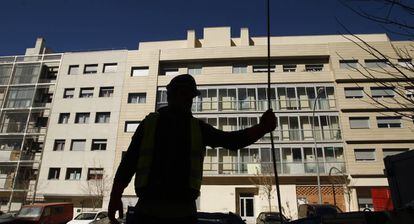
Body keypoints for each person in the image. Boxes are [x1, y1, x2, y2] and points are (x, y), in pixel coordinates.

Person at [108, 74, 276, 224]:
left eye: (190, 96)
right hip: (156, 212)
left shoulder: (194, 128)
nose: (188, 100)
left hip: (167, 213)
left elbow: (231, 141)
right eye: (184, 94)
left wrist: (262, 128)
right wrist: (115, 195)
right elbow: (129, 162)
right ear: (171, 96)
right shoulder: (152, 124)